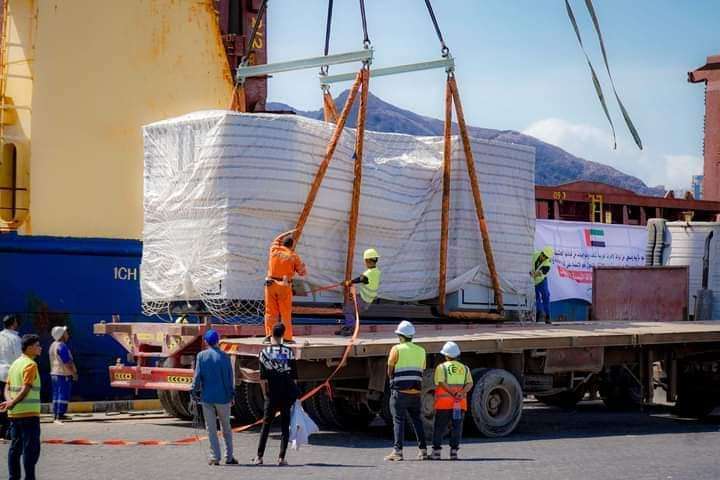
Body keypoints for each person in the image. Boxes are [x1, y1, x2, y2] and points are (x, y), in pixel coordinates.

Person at [253, 322, 299, 466]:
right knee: (285, 426)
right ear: (283, 335)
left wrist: (265, 394)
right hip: (286, 393)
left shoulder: (264, 353)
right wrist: (294, 394)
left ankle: (259, 457)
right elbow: (294, 377)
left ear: (271, 334)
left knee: (266, 425)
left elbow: (262, 379)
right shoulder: (289, 352)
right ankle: (281, 458)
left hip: (272, 393)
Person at [191, 329, 237, 466]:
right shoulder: (225, 357)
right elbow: (229, 379)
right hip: (223, 397)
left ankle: (214, 457)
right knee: (226, 428)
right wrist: (231, 395)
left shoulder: (201, 356)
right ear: (218, 341)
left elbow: (197, 377)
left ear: (206, 342)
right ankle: (229, 456)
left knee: (211, 428)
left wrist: (194, 391)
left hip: (207, 397)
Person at [384, 320, 428, 462]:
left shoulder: (396, 349)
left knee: (398, 420)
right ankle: (423, 451)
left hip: (400, 392)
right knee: (417, 421)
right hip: (415, 392)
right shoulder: (421, 351)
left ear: (401, 336)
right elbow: (422, 369)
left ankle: (398, 452)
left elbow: (390, 368)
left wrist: (392, 380)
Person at [1, 334, 42, 480]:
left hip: (14, 414)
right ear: (29, 348)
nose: (40, 348)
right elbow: (26, 388)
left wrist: (9, 402)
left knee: (15, 448)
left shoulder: (15, 364)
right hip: (29, 414)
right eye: (37, 345)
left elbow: (7, 387)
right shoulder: (30, 365)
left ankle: (13, 477)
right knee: (31, 450)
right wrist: (12, 402)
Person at [431, 341, 473, 461]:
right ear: (457, 355)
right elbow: (470, 383)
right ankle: (454, 452)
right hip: (459, 404)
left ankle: (436, 452)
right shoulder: (465, 368)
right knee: (456, 427)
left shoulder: (441, 367)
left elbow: (440, 382)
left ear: (446, 355)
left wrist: (452, 392)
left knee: (439, 427)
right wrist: (461, 392)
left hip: (444, 404)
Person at [264, 229, 307, 343]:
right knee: (285, 313)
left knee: (270, 312)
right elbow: (302, 273)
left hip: (270, 284)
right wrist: (303, 267)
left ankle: (269, 336)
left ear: (282, 243)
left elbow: (277, 239)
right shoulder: (293, 256)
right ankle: (287, 338)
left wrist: (288, 232)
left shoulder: (274, 249)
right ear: (292, 246)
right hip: (284, 285)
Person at [335, 248, 382, 337]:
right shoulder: (377, 272)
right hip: (367, 300)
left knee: (347, 309)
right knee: (350, 310)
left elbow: (361, 279)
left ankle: (350, 328)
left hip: (363, 299)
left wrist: (348, 282)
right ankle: (348, 327)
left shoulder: (369, 273)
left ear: (367, 260)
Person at [49, 326, 78, 424]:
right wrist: (73, 373)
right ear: (61, 335)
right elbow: (67, 362)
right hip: (63, 374)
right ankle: (59, 414)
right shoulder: (62, 346)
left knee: (56, 394)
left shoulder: (53, 345)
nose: (67, 334)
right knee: (63, 394)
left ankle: (57, 413)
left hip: (54, 373)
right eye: (65, 333)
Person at [0, 315, 22, 440]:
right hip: (10, 374)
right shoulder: (16, 339)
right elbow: (19, 358)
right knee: (10, 403)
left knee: (1, 403)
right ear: (14, 323)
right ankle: (7, 432)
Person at [531, 246, 554, 324]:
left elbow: (539, 273)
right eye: (543, 255)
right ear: (542, 252)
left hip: (541, 281)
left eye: (546, 257)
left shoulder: (548, 264)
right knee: (536, 298)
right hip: (533, 281)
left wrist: (533, 274)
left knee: (546, 296)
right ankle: (538, 313)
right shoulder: (535, 254)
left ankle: (547, 316)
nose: (544, 257)